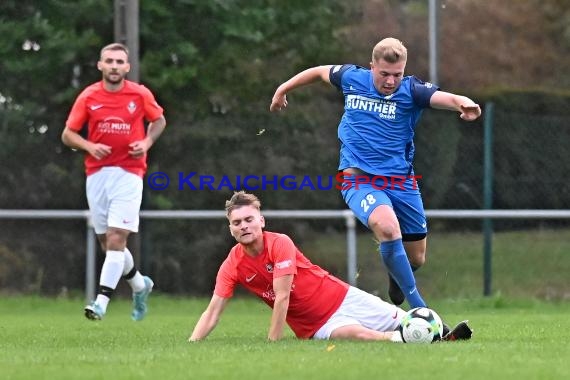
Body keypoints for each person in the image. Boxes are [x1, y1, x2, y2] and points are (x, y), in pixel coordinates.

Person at [269, 37, 481, 308]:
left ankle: (397, 277)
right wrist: (282, 89)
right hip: (358, 179)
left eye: (397, 74)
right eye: (384, 74)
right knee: (388, 228)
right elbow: (319, 71)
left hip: (402, 182)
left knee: (416, 258)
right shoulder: (351, 78)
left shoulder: (411, 90)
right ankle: (421, 309)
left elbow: (444, 97)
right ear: (371, 67)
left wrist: (462, 102)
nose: (391, 81)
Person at [189, 191, 472, 342]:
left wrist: (272, 341)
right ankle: (404, 341)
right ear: (231, 229)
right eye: (237, 223)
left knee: (403, 318)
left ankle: (445, 336)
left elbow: (283, 296)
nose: (244, 226)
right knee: (355, 335)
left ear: (261, 221)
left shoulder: (280, 243)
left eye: (249, 219)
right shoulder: (233, 264)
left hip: (341, 295)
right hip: (316, 325)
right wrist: (192, 345)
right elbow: (213, 311)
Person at [61, 42, 166, 321]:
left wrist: (146, 142)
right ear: (100, 65)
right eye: (110, 61)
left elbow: (159, 121)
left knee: (117, 238)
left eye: (120, 62)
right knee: (110, 246)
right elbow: (68, 134)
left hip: (130, 172)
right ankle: (140, 285)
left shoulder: (139, 94)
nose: (115, 66)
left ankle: (100, 303)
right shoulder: (89, 96)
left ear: (127, 67)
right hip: (97, 174)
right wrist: (88, 146)